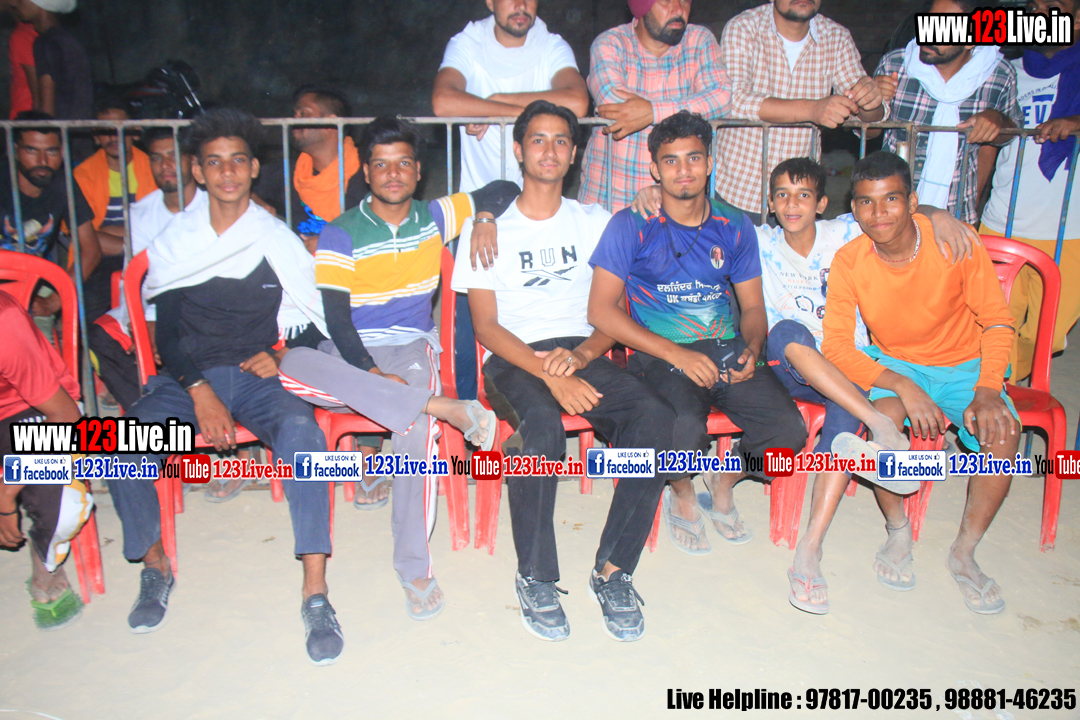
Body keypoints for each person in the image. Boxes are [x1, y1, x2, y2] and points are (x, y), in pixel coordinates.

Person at [106, 108, 343, 665]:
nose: (227, 172)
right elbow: (168, 336)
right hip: (186, 379)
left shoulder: (274, 238)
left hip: (256, 377)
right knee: (118, 447)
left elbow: (313, 315)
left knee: (304, 438)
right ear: (198, 171)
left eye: (238, 160)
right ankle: (155, 566)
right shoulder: (178, 242)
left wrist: (279, 353)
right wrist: (199, 391)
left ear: (254, 168)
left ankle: (315, 591)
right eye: (214, 162)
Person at [452, 100, 675, 642]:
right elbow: (485, 326)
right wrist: (549, 373)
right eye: (537, 140)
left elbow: (611, 313)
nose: (549, 151)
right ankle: (535, 575)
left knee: (654, 415)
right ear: (518, 150)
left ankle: (614, 570)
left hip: (581, 352)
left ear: (574, 154)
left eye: (560, 141)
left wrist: (581, 358)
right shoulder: (487, 231)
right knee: (542, 428)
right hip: (514, 357)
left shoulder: (595, 222)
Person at [279, 116, 504, 620]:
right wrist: (369, 372)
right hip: (352, 352)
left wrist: (485, 216)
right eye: (381, 165)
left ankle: (414, 567)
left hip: (409, 349)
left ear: (418, 171)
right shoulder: (341, 231)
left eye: (403, 163)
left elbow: (503, 189)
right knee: (292, 363)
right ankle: (439, 405)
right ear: (366, 173)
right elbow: (337, 319)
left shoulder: (435, 216)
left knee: (416, 431)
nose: (393, 174)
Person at [754, 157, 980, 613]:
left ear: (822, 203)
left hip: (849, 370)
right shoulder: (760, 240)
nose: (792, 204)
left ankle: (810, 549)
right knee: (787, 331)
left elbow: (893, 211)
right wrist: (651, 196)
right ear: (771, 204)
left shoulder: (845, 232)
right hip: (792, 366)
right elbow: (702, 213)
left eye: (803, 195)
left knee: (842, 427)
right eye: (782, 195)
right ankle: (879, 422)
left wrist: (937, 214)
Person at [588, 110, 807, 557]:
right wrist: (677, 354)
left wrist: (752, 348)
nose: (683, 170)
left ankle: (726, 478)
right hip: (661, 354)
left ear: (710, 163)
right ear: (655, 169)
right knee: (681, 429)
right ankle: (683, 491)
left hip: (726, 348)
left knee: (789, 433)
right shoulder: (631, 223)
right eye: (671, 161)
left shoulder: (734, 224)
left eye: (693, 158)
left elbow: (752, 307)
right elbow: (600, 311)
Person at [823, 151, 1019, 615]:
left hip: (965, 365)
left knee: (1003, 432)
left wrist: (988, 388)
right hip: (898, 366)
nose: (879, 213)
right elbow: (837, 347)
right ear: (854, 209)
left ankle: (964, 551)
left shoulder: (953, 243)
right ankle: (897, 530)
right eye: (866, 202)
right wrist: (904, 386)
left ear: (912, 202)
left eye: (891, 199)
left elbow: (997, 321)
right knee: (882, 423)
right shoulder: (850, 261)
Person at [714, 0, 885, 222]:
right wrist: (812, 109)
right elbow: (733, 100)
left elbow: (870, 127)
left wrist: (870, 102)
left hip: (800, 198)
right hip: (739, 190)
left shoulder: (836, 37)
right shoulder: (744, 27)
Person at [980, 0, 1080, 381]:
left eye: (1053, 7)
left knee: (1047, 335)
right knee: (990, 325)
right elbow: (987, 144)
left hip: (1068, 229)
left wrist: (1075, 121)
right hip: (1002, 219)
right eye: (1033, 6)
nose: (1039, 16)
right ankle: (993, 389)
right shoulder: (1005, 71)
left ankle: (999, 380)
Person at [870, 0, 1022, 224]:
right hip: (890, 211)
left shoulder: (998, 74)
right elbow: (869, 132)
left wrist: (997, 120)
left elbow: (1012, 133)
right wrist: (871, 103)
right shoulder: (896, 64)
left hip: (956, 214)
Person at [87, 127, 205, 414]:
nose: (165, 165)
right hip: (152, 304)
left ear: (192, 160)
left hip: (202, 307)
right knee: (101, 336)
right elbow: (133, 276)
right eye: (156, 158)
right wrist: (141, 321)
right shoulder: (140, 212)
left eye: (173, 156)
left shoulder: (214, 203)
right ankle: (150, 411)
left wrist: (157, 321)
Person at [577, 0, 730, 213]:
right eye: (666, 1)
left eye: (684, 0)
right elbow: (614, 106)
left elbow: (721, 98)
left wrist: (652, 112)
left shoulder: (699, 40)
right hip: (610, 201)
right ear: (641, 6)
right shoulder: (611, 43)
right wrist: (687, 109)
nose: (678, 9)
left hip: (672, 206)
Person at [0, 290, 92, 630]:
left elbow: (65, 417)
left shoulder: (2, 320)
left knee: (62, 504)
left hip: (29, 408)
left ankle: (44, 558)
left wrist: (7, 493)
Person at [432, 0, 588, 192]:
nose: (521, 5)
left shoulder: (551, 45)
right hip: (478, 196)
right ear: (491, 2)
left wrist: (498, 99)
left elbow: (578, 102)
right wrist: (513, 112)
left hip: (538, 198)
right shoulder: (468, 42)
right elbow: (442, 101)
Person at [0, 111, 100, 318]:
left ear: (62, 152)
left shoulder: (63, 185)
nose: (43, 160)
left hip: (31, 290)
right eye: (31, 150)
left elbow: (90, 250)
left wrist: (54, 301)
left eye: (52, 151)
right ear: (15, 150)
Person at [257, 85, 369, 255]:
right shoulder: (288, 172)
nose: (293, 120)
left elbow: (389, 228)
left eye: (303, 113)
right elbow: (238, 183)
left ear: (330, 122)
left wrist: (332, 242)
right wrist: (259, 205)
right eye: (294, 114)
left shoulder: (368, 173)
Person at [10, 0, 90, 121]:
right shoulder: (65, 39)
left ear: (41, 4)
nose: (14, 3)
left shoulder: (45, 42)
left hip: (60, 128)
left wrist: (44, 127)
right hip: (76, 126)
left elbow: (46, 110)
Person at [6, 8, 39, 118]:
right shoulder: (27, 33)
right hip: (28, 112)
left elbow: (36, 84)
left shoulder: (23, 35)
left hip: (29, 113)